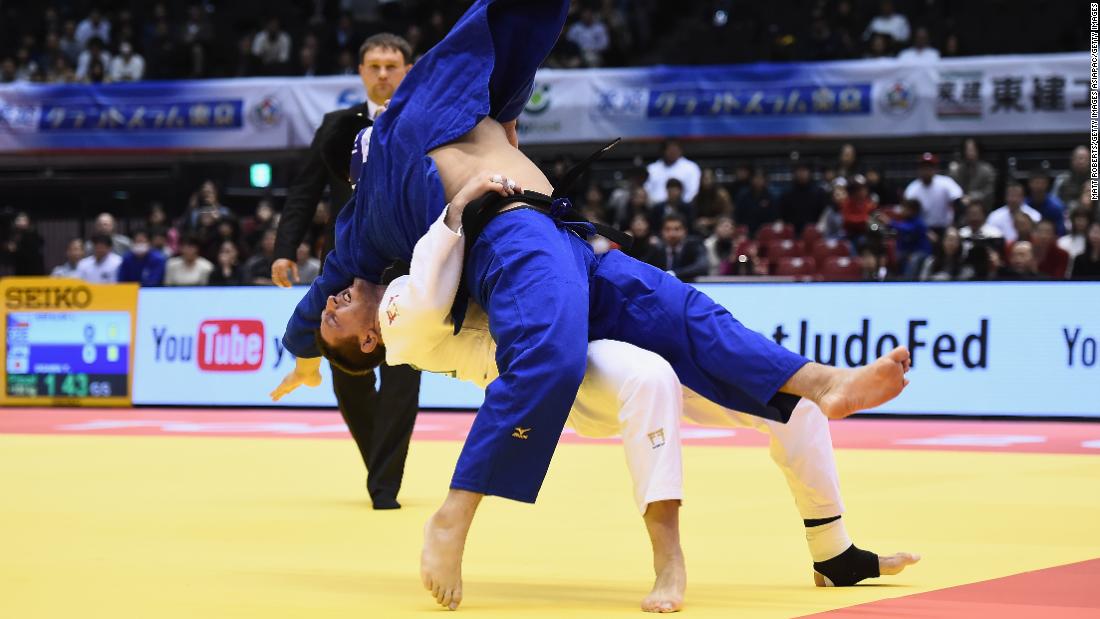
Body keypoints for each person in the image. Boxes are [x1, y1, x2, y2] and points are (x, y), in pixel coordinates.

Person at [277, 3, 910, 608]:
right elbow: (316, 304)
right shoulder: (373, 231)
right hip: (513, 239)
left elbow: (507, 36)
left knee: (683, 311)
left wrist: (303, 351)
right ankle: (454, 515)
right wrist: (305, 350)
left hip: (568, 238)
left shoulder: (428, 118)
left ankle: (823, 384)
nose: (336, 300)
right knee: (557, 357)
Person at [272, 33, 422, 510]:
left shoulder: (420, 122)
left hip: (408, 267)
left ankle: (384, 489)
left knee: (402, 372)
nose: (382, 74)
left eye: (391, 66)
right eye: (374, 65)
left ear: (407, 70)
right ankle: (378, 466)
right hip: (349, 269)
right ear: (360, 72)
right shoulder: (337, 126)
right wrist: (283, 249)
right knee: (347, 376)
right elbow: (304, 191)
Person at [903, 152, 964, 236]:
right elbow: (909, 214)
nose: (927, 170)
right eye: (924, 167)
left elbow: (958, 201)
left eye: (930, 167)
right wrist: (925, 231)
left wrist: (954, 225)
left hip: (944, 227)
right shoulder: (912, 189)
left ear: (935, 169)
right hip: (921, 230)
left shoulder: (945, 182)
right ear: (919, 169)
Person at [645, 213, 710, 282]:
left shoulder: (695, 244)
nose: (672, 234)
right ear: (662, 231)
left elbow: (702, 266)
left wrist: (675, 273)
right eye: (668, 229)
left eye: (677, 229)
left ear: (685, 231)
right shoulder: (657, 248)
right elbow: (644, 266)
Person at [644, 140, 702, 205]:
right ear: (663, 151)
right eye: (669, 150)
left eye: (675, 150)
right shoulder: (652, 168)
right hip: (655, 208)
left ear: (680, 151)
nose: (672, 152)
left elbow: (693, 192)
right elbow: (646, 190)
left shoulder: (691, 167)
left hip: (682, 208)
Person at [778, 162, 829, 235]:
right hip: (792, 235)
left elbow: (824, 213)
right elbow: (781, 216)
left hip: (813, 234)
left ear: (809, 172)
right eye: (799, 170)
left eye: (804, 170)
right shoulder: (786, 193)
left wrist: (820, 226)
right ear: (795, 173)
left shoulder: (819, 192)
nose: (801, 173)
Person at [949, 138, 995, 212]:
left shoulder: (987, 170)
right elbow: (952, 190)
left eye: (972, 149)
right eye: (967, 149)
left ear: (978, 150)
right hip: (961, 211)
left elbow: (989, 192)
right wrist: (961, 198)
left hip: (982, 210)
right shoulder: (956, 171)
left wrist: (972, 197)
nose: (970, 152)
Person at [888, 199, 931, 279]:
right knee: (897, 256)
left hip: (920, 251)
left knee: (913, 260)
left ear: (912, 210)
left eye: (905, 208)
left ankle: (908, 280)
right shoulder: (903, 221)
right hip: (907, 251)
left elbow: (908, 229)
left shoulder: (919, 222)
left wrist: (889, 222)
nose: (902, 210)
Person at [734, 168, 778, 235]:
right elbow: (738, 214)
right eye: (756, 178)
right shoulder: (743, 195)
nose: (758, 181)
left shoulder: (771, 196)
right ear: (751, 180)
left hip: (765, 231)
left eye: (761, 178)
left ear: (765, 180)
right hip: (746, 231)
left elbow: (774, 216)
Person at [1025, 169, 1067, 236]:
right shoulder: (1024, 206)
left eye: (1042, 183)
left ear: (1047, 184)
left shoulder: (1056, 206)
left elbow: (1060, 232)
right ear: (1030, 184)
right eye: (1036, 183)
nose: (1039, 186)